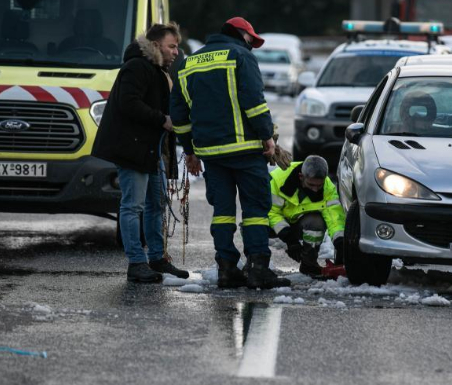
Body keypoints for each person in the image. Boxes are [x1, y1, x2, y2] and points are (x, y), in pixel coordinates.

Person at [170, 17, 289, 289]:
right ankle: (258, 269)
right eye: (251, 40)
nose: (252, 47)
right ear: (240, 35)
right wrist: (267, 137)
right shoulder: (239, 56)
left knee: (222, 212)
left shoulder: (188, 64)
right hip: (246, 150)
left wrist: (189, 151)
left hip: (211, 154)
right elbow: (254, 102)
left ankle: (226, 269)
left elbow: (179, 114)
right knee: (256, 210)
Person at [92, 23, 189, 283]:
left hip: (149, 150)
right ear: (156, 46)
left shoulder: (156, 69)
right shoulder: (137, 66)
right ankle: (136, 262)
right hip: (132, 148)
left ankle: (157, 258)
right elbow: (129, 103)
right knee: (133, 206)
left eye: (177, 47)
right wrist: (162, 120)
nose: (176, 52)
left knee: (156, 204)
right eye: (172, 46)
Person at [269, 155, 345, 276]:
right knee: (254, 225)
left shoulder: (327, 188)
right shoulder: (279, 180)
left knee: (317, 222)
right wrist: (290, 240)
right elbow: (272, 213)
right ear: (301, 177)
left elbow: (334, 217)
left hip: (298, 224)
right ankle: (257, 265)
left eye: (319, 186)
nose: (315, 190)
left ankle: (309, 264)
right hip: (274, 226)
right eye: (311, 185)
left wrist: (340, 242)